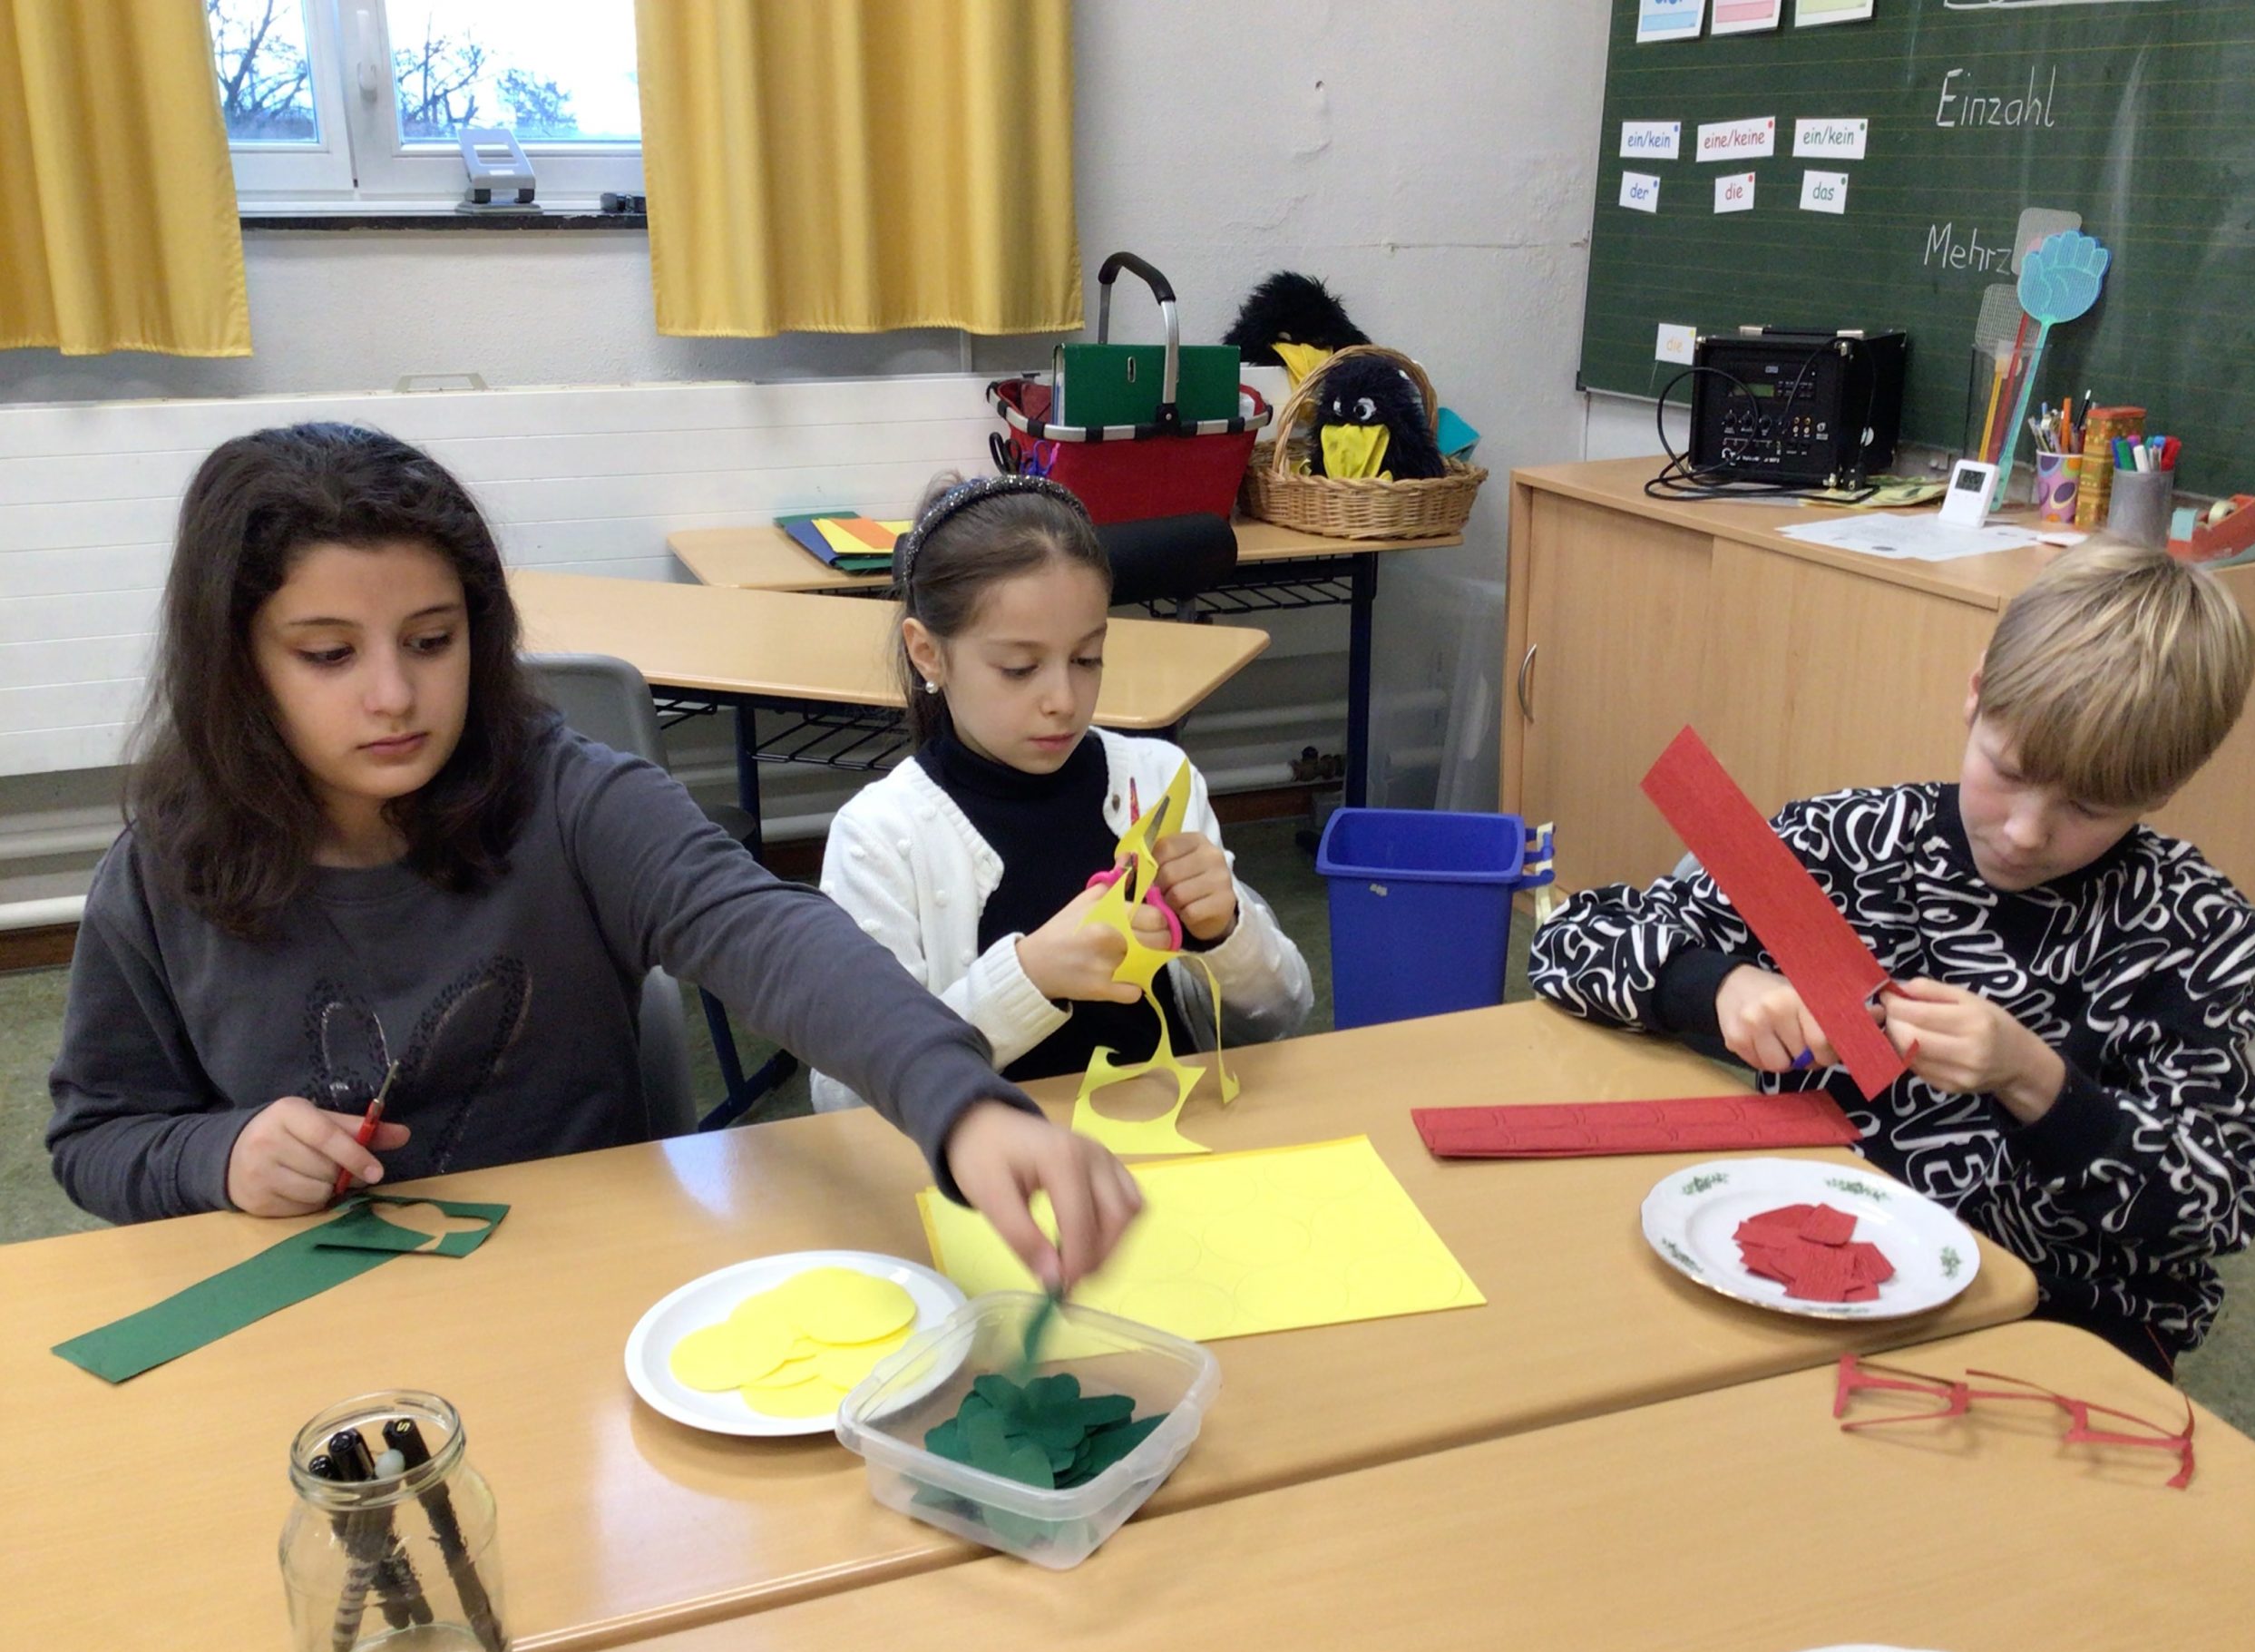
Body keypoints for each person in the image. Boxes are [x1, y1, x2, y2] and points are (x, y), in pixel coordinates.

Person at [47, 424, 1137, 1290]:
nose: (393, 694)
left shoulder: (563, 792)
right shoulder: (160, 875)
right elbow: (95, 1136)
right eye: (329, 655)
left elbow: (769, 933)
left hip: (588, 1291)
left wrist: (962, 1101)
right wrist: (217, 1156)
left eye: (432, 641)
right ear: (236, 664)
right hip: (315, 1318)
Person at [1529, 535, 2255, 1375]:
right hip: (1813, 1268)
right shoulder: (1850, 845)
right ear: (1976, 695)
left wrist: (2035, 1078)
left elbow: (2212, 1203)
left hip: (2058, 1314)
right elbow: (1570, 940)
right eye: (2009, 769)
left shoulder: (2193, 928)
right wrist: (1717, 986)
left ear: (2162, 791)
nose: (2028, 832)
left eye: (2089, 807)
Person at [812, 474, 1310, 1112]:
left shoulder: (1155, 781)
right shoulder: (882, 835)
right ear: (928, 654)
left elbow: (1280, 1018)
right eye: (1019, 668)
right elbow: (845, 1102)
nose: (1063, 701)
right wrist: (1028, 979)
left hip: (1177, 1147)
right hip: (999, 1180)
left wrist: (1225, 932)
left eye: (1087, 658)